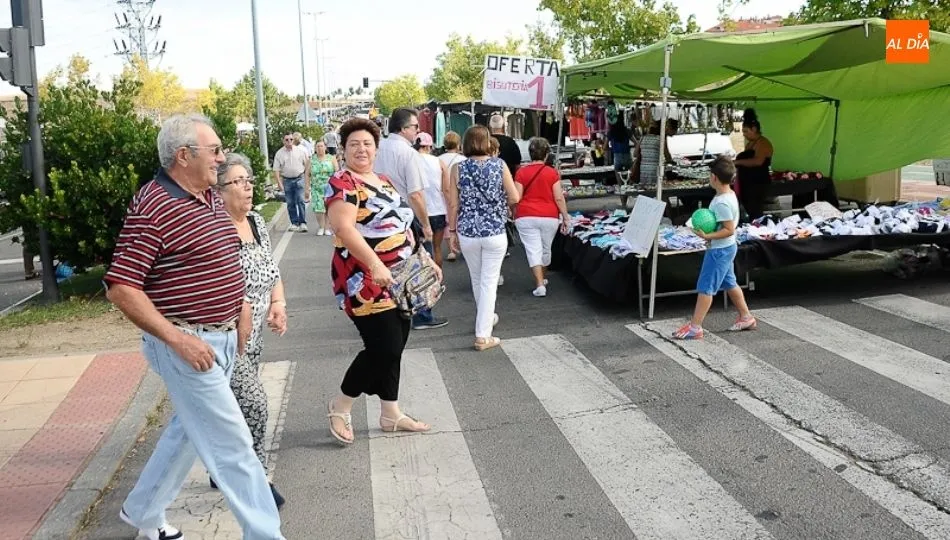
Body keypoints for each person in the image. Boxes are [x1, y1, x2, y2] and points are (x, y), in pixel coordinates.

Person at [104, 114, 284, 540]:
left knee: (188, 431)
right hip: (188, 343)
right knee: (234, 445)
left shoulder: (207, 197)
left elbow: (222, 256)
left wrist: (239, 305)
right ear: (184, 156)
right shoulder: (154, 205)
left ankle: (143, 510)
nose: (222, 160)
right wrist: (177, 340)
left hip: (221, 336)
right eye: (215, 151)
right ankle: (266, 534)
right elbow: (121, 287)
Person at [325, 117, 437, 444]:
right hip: (363, 280)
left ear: (376, 149)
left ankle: (391, 413)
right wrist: (374, 264)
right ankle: (341, 404)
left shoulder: (384, 180)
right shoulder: (342, 183)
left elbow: (403, 225)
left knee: (396, 344)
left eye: (367, 144)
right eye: (354, 144)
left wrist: (425, 258)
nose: (362, 149)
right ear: (343, 150)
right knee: (384, 346)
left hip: (400, 278)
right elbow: (344, 229)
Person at [213, 153, 288, 509]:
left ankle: (221, 467)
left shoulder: (256, 221)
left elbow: (270, 269)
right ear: (218, 190)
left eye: (249, 180)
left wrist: (278, 304)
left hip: (254, 336)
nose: (247, 187)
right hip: (226, 337)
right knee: (255, 405)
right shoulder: (215, 229)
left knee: (234, 409)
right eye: (238, 181)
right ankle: (255, 480)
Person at [446, 125, 520, 351]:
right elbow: (514, 196)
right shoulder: (499, 165)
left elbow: (453, 204)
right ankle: (483, 334)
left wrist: (452, 232)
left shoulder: (457, 168)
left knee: (478, 280)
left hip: (468, 231)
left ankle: (485, 319)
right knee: (489, 282)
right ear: (487, 142)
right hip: (494, 231)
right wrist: (499, 206)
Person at [375, 107, 449, 330]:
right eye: (415, 126)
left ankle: (390, 312)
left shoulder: (379, 148)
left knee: (389, 265)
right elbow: (415, 194)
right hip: (404, 216)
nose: (417, 130)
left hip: (379, 216)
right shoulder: (408, 153)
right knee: (417, 266)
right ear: (404, 128)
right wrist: (426, 224)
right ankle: (421, 314)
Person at [673, 155, 756, 340]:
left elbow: (728, 229)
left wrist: (707, 236)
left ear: (714, 178)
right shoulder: (727, 195)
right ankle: (746, 317)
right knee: (730, 283)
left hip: (720, 250)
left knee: (706, 287)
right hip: (725, 248)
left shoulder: (722, 202)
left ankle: (695, 327)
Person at [513, 137, 571, 297]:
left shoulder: (521, 172)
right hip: (549, 216)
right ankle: (541, 279)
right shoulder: (552, 173)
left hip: (525, 215)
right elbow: (559, 197)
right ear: (546, 155)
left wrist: (511, 209)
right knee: (546, 249)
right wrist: (565, 216)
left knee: (533, 249)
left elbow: (517, 197)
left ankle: (539, 283)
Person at [415, 132, 450, 267]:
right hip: (438, 210)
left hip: (418, 209)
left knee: (420, 250)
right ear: (429, 147)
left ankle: (423, 281)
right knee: (437, 248)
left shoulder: (412, 161)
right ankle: (438, 279)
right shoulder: (439, 162)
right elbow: (446, 189)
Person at [733, 108, 774, 220]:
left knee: (755, 211)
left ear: (754, 129)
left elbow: (758, 161)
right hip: (748, 184)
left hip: (758, 184)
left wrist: (737, 162)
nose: (744, 135)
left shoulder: (763, 143)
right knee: (750, 210)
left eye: (746, 131)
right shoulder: (750, 144)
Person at [272, 132, 311, 232]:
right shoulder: (279, 153)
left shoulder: (300, 151)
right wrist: (279, 184)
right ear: (283, 141)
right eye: (286, 140)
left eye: (291, 139)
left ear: (294, 140)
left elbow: (307, 165)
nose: (289, 142)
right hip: (287, 180)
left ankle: (302, 222)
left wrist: (307, 180)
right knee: (290, 202)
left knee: (301, 200)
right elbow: (276, 170)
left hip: (299, 178)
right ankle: (294, 222)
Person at [438, 131, 466, 262]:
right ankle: (463, 247)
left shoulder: (438, 159)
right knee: (461, 220)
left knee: (447, 222)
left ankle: (451, 250)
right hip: (459, 193)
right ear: (458, 144)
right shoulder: (463, 160)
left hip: (442, 193)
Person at [310, 140, 339, 235]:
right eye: (318, 146)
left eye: (321, 146)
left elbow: (337, 172)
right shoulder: (311, 160)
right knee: (318, 208)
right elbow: (307, 174)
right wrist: (306, 188)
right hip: (316, 187)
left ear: (325, 147)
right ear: (315, 148)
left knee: (328, 208)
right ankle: (321, 227)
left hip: (329, 187)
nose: (320, 148)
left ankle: (327, 227)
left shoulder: (331, 158)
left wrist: (337, 185)